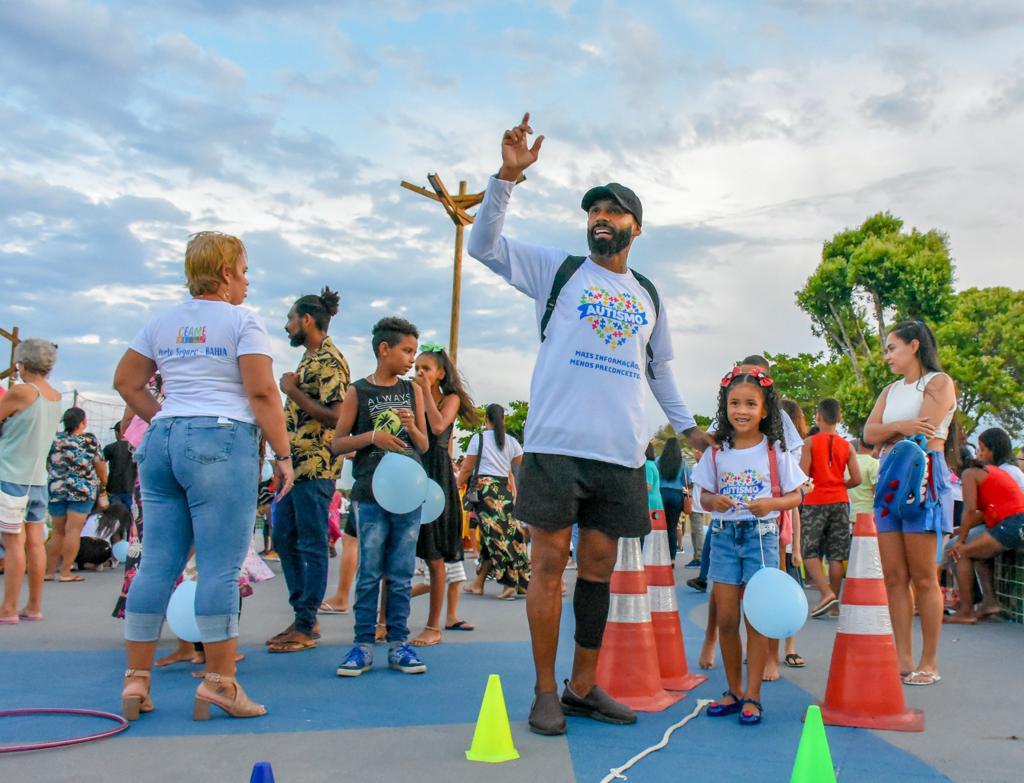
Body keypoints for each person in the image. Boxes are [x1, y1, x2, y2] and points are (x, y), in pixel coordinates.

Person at [467, 113, 703, 736]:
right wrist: (506, 179)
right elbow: (483, 247)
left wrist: (691, 430)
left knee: (598, 570)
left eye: (615, 211)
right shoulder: (562, 270)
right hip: (554, 447)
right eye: (594, 210)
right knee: (548, 566)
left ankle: (583, 686)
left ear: (636, 228)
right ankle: (545, 690)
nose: (602, 217)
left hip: (621, 455)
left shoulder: (649, 294)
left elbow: (661, 372)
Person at [112, 230, 294, 721]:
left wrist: (165, 414)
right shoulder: (243, 322)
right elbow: (261, 394)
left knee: (156, 563)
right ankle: (219, 684)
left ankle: (136, 680)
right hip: (222, 439)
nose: (248, 282)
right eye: (245, 271)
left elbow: (126, 381)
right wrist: (282, 453)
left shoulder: (161, 321)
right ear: (227, 272)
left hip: (163, 439)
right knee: (218, 567)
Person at [691, 368, 807, 725]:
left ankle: (753, 696)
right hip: (724, 538)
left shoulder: (774, 451)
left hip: (762, 537)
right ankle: (733, 689)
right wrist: (715, 501)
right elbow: (703, 495)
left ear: (765, 409)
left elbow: (797, 494)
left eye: (750, 404)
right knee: (726, 619)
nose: (741, 410)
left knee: (755, 619)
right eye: (734, 403)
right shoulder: (716, 453)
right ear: (724, 407)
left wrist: (771, 504)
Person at [331, 317, 430, 677]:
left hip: (408, 492)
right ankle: (362, 644)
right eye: (406, 351)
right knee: (370, 571)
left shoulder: (413, 391)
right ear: (383, 349)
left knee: (401, 572)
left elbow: (423, 444)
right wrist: (373, 437)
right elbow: (338, 443)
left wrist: (410, 427)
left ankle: (399, 644)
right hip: (369, 492)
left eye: (414, 352)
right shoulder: (358, 391)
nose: (410, 359)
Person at [864, 320, 957, 687]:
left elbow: (928, 428)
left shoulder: (939, 381)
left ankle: (929, 661)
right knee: (893, 576)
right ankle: (901, 657)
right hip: (889, 479)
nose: (887, 355)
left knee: (924, 576)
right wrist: (901, 426)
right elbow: (868, 432)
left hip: (925, 476)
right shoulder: (889, 390)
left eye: (892, 347)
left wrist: (892, 430)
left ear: (914, 346)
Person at [265, 287, 349, 654]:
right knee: (283, 536)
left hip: (316, 466)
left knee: (312, 542)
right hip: (294, 466)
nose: (287, 327)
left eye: (290, 319)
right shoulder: (310, 359)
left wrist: (292, 391)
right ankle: (302, 614)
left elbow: (337, 415)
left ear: (307, 320)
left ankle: (306, 622)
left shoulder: (329, 360)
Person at [409, 344, 479, 645]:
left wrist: (423, 392)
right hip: (412, 466)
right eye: (417, 368)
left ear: (440, 374)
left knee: (436, 550)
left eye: (426, 368)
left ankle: (433, 625)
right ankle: (384, 620)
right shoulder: (410, 393)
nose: (420, 372)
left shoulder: (449, 399)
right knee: (401, 549)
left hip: (436, 471)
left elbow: (438, 425)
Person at [0, 339, 62, 625]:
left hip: (11, 475)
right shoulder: (55, 395)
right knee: (35, 542)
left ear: (22, 363)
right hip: (38, 479)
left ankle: (8, 608)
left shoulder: (22, 391)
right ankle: (33, 605)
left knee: (13, 543)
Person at [945, 428, 1024, 623]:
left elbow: (970, 510)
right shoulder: (991, 472)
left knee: (960, 552)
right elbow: (986, 511)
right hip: (1013, 522)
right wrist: (961, 531)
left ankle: (966, 610)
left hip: (1011, 524)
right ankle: (989, 602)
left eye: (982, 450)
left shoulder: (970, 474)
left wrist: (961, 540)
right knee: (978, 555)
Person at [458, 404, 529, 600]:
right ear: (503, 420)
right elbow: (525, 464)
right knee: (504, 535)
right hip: (505, 492)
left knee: (495, 537)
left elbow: (466, 468)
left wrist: (455, 486)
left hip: (485, 491)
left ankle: (508, 584)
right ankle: (479, 584)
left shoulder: (479, 438)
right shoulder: (511, 441)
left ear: (485, 420)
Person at [799, 398, 862, 618]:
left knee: (809, 550)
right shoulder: (847, 446)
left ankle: (826, 593)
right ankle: (833, 605)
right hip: (840, 501)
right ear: (839, 418)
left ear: (818, 417)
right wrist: (840, 485)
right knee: (836, 555)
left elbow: (803, 475)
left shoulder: (810, 443)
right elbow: (857, 478)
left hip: (816, 501)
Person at [44, 407, 108, 582]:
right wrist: (103, 484)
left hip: (56, 489)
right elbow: (101, 466)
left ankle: (49, 572)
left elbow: (47, 464)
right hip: (82, 490)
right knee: (73, 530)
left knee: (57, 532)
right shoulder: (89, 440)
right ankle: (65, 572)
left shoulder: (54, 440)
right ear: (83, 422)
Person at [657, 437, 700, 563]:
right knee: (672, 527)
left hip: (661, 494)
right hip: (676, 496)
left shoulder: (658, 461)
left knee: (660, 527)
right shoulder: (683, 463)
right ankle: (672, 559)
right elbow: (689, 482)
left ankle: (660, 557)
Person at [76, 501, 132, 570]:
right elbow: (117, 544)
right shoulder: (116, 523)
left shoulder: (94, 515)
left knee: (88, 548)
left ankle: (83, 564)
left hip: (79, 548)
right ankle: (104, 563)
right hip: (99, 551)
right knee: (105, 549)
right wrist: (115, 559)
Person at [103, 422, 137, 515]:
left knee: (114, 518)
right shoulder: (136, 449)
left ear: (118, 433)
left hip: (113, 489)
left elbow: (100, 465)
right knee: (131, 519)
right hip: (132, 490)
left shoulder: (110, 448)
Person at [848, 436, 880, 524]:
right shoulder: (874, 464)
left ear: (860, 444)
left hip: (851, 513)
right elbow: (877, 491)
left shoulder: (848, 462)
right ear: (876, 446)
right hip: (869, 514)